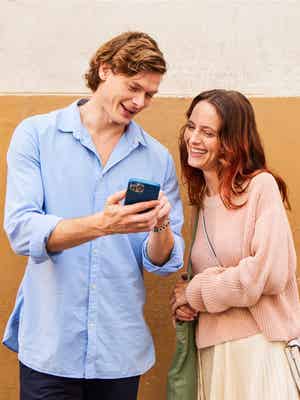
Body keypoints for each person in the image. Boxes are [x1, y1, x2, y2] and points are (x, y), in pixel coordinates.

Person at [3, 31, 184, 400]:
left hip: (118, 353)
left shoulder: (156, 157)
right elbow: (22, 230)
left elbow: (162, 262)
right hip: (51, 351)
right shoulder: (36, 136)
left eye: (149, 94)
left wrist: (161, 224)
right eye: (134, 87)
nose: (140, 101)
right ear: (104, 69)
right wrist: (102, 225)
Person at [170, 89, 300, 400]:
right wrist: (187, 303)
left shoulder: (260, 187)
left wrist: (195, 292)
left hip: (257, 351)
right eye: (191, 127)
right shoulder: (202, 201)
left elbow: (266, 274)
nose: (194, 139)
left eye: (208, 132)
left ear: (231, 142)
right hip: (212, 354)